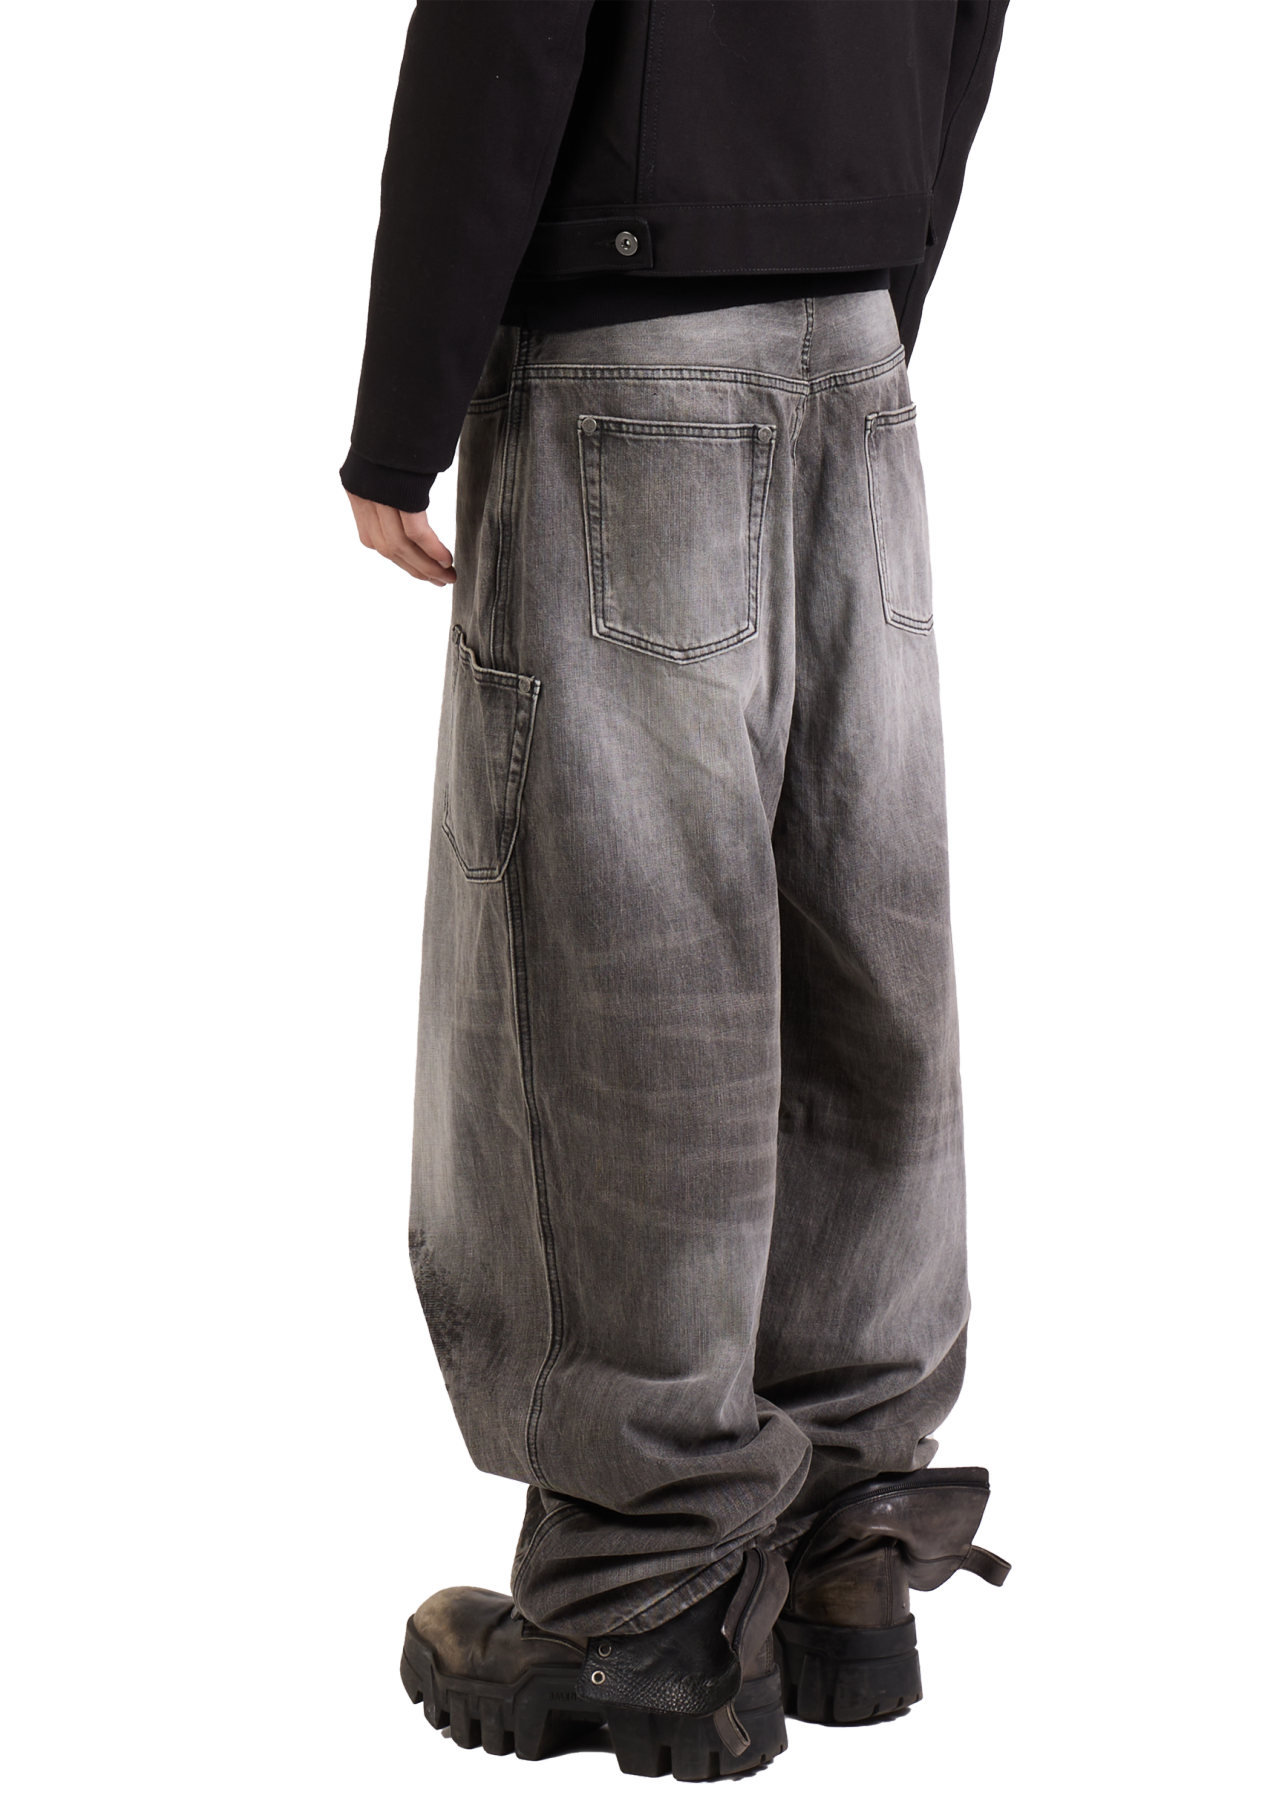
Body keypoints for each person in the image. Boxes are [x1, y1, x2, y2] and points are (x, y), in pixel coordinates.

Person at [339, 2, 1012, 1781]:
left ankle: (640, 1583)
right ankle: (847, 1529)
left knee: (621, 964)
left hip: (624, 351)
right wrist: (879, 265)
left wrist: (402, 413)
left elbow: (509, 22)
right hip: (852, 343)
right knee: (855, 940)